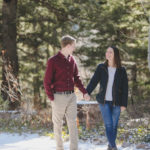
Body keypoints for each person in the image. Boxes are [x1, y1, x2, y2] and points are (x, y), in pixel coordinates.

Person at [44, 35, 90, 150]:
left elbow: (77, 78)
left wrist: (84, 92)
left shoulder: (72, 59)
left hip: (71, 96)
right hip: (58, 97)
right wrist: (52, 97)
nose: (74, 48)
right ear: (68, 46)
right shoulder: (53, 61)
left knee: (73, 123)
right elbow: (46, 81)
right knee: (58, 125)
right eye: (73, 46)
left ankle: (74, 148)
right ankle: (60, 148)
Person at [86, 46, 128, 150]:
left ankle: (110, 146)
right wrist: (87, 92)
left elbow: (125, 88)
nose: (108, 54)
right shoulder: (101, 67)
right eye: (107, 52)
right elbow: (94, 81)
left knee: (114, 126)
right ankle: (114, 146)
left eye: (111, 52)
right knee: (109, 125)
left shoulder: (121, 70)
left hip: (117, 102)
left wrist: (124, 104)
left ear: (115, 55)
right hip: (103, 102)